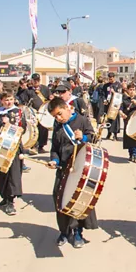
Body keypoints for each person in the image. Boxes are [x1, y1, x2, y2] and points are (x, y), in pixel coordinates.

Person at [46, 97, 97, 248]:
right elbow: (54, 148)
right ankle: (64, 231)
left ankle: (78, 232)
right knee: (60, 200)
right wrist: (54, 160)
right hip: (63, 169)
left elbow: (93, 137)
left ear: (68, 108)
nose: (58, 118)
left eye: (60, 114)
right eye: (55, 116)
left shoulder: (82, 120)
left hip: (80, 169)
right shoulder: (58, 125)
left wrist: (84, 137)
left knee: (78, 201)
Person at [0, 91, 24, 215]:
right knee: (0, 173)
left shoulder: (18, 112)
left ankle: (11, 201)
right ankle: (4, 197)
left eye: (10, 99)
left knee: (12, 174)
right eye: (6, 100)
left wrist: (9, 123)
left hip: (13, 147)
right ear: (2, 101)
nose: (8, 102)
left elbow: (23, 128)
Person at [26, 73, 51, 153]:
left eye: (37, 80)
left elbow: (49, 98)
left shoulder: (45, 88)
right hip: (33, 112)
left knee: (43, 129)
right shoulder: (28, 90)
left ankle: (41, 146)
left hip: (43, 112)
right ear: (32, 81)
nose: (36, 82)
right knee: (34, 130)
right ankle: (34, 146)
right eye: (34, 80)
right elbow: (25, 101)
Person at [120, 83, 136, 162]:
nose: (132, 91)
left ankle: (135, 155)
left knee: (135, 138)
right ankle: (131, 154)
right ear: (127, 90)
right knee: (129, 138)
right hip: (128, 121)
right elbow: (120, 109)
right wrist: (122, 114)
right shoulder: (125, 99)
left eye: (133, 90)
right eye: (130, 89)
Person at [100, 73, 122, 141]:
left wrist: (114, 92)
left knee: (115, 120)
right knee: (108, 120)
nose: (110, 80)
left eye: (111, 78)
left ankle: (115, 135)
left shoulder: (118, 85)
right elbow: (103, 94)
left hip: (115, 105)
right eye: (109, 79)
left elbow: (120, 94)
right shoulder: (106, 85)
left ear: (114, 77)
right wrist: (104, 100)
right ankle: (109, 133)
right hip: (108, 105)